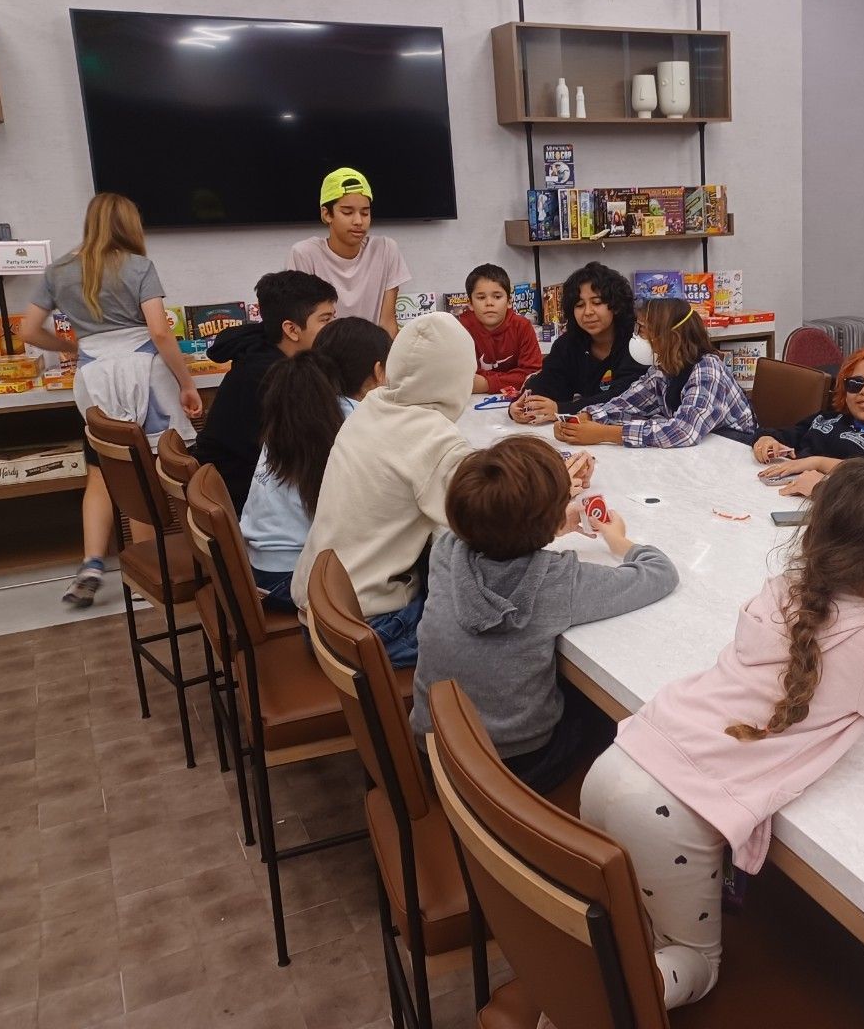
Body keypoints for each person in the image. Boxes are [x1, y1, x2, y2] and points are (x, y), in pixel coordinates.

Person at [579, 461, 864, 1010]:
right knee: (691, 961)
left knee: (627, 926)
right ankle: (589, 1003)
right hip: (671, 813)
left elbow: (853, 680)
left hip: (617, 764)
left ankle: (579, 974)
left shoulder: (784, 591)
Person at [410, 437, 678, 794]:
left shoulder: (445, 552)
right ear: (550, 516)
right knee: (606, 715)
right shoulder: (555, 582)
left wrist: (547, 524)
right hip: (516, 768)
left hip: (435, 747)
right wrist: (620, 541)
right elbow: (660, 573)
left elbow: (488, 530)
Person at [17, 193, 202, 609]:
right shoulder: (139, 267)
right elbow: (159, 332)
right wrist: (186, 382)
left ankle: (103, 565)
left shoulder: (59, 271)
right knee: (171, 464)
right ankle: (194, 562)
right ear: (128, 226)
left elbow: (27, 330)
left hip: (93, 373)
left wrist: (67, 344)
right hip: (145, 370)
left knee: (109, 472)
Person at [291, 313, 475, 667]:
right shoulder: (434, 438)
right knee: (500, 634)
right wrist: (551, 494)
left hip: (319, 614)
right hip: (373, 631)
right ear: (458, 378)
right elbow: (489, 524)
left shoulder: (371, 408)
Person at [239, 318, 392, 612]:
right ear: (378, 372)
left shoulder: (301, 409)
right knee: (426, 587)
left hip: (259, 569)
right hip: (294, 578)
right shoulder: (357, 424)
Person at [192, 270, 338, 513]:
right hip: (248, 505)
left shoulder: (262, 352)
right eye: (325, 320)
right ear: (291, 329)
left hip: (237, 492)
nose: (334, 329)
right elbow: (308, 455)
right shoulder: (274, 378)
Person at [555, 297, 757, 449]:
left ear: (672, 337)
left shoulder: (707, 370)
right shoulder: (664, 368)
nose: (638, 336)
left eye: (643, 330)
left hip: (733, 451)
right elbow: (629, 402)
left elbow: (683, 431)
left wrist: (605, 434)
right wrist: (585, 419)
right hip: (701, 452)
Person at [752, 347, 864, 497]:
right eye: (855, 384)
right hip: (779, 490)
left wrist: (817, 462)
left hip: (838, 502)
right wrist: (766, 440)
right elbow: (783, 434)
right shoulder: (827, 417)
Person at [511, 261, 647, 422]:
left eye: (597, 303)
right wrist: (520, 405)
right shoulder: (568, 344)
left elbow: (624, 398)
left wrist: (561, 410)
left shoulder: (638, 343)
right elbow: (548, 382)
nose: (588, 312)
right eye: (579, 305)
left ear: (616, 306)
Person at [287, 167, 410, 337]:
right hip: (324, 358)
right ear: (327, 214)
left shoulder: (386, 249)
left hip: (373, 356)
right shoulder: (304, 254)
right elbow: (305, 328)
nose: (359, 221)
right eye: (347, 212)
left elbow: (387, 323)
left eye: (365, 213)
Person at [457, 263, 542, 394]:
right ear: (470, 304)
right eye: (481, 297)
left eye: (497, 297)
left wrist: (486, 384)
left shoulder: (522, 326)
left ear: (509, 301)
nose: (489, 303)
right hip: (470, 402)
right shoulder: (460, 329)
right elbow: (461, 376)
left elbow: (532, 374)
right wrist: (512, 378)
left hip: (516, 399)